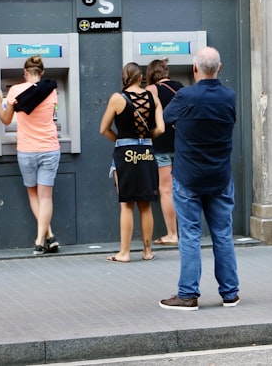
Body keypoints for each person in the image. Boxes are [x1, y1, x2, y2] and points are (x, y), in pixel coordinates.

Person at [159, 46, 240, 311]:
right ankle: (230, 294)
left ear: (194, 69)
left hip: (188, 177)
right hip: (219, 176)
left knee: (191, 236)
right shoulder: (229, 96)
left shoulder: (185, 96)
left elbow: (167, 118)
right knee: (223, 235)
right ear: (220, 67)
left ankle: (188, 295)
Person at [0, 54, 61, 255]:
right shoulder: (52, 91)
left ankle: (40, 240)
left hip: (27, 150)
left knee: (33, 194)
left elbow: (6, 120)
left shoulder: (14, 91)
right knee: (46, 196)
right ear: (42, 73)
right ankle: (48, 236)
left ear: (25, 72)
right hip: (49, 148)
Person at [99, 62, 164, 263]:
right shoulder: (153, 98)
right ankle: (147, 251)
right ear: (140, 77)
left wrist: (120, 140)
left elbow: (103, 129)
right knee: (145, 205)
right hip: (146, 152)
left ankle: (124, 253)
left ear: (125, 77)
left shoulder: (117, 99)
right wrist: (145, 138)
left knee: (127, 204)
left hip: (125, 153)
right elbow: (160, 129)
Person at [145, 58, 184, 246]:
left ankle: (172, 234)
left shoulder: (151, 90)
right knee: (182, 189)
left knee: (166, 190)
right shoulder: (182, 88)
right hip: (182, 146)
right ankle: (187, 231)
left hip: (161, 146)